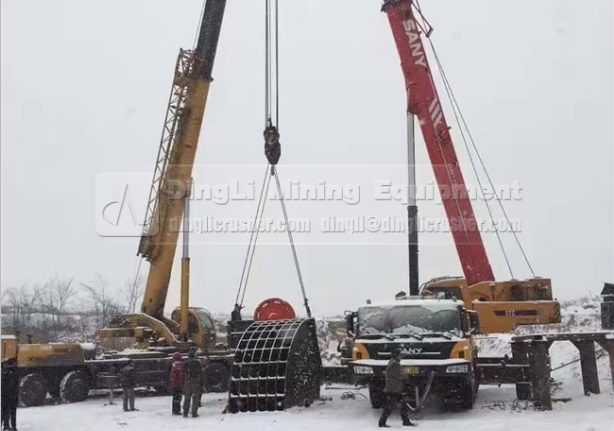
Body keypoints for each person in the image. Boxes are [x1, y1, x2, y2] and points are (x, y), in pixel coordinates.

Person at [378, 349, 415, 428]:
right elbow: (398, 375)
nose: (401, 357)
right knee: (389, 407)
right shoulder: (395, 364)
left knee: (402, 405)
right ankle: (382, 422)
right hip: (393, 389)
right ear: (397, 356)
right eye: (400, 355)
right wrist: (406, 376)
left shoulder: (392, 362)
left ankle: (406, 421)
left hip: (394, 388)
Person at [181, 348, 203, 418]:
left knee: (187, 398)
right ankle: (194, 412)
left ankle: (185, 412)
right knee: (195, 398)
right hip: (196, 382)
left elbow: (182, 374)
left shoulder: (185, 363)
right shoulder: (198, 363)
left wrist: (182, 384)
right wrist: (201, 383)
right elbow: (201, 373)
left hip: (187, 382)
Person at [1, 358, 19, 431]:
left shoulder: (3, 372)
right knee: (13, 411)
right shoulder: (15, 372)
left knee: (4, 411)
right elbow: (15, 384)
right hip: (13, 395)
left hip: (4, 395)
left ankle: (5, 426)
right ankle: (13, 427)